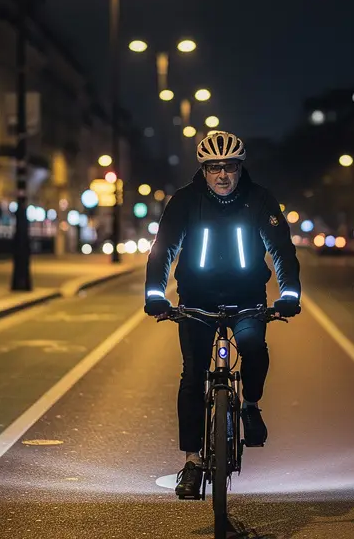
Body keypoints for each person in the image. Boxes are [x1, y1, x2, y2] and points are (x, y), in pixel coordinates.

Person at [143, 130, 302, 499]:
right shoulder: (185, 201)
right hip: (196, 298)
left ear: (240, 167)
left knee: (254, 349)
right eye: (214, 168)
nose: (223, 175)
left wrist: (289, 295)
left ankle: (250, 405)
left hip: (247, 297)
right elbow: (163, 249)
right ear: (204, 170)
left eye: (229, 166)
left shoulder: (259, 199)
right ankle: (192, 461)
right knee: (192, 375)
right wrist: (155, 295)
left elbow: (282, 249)